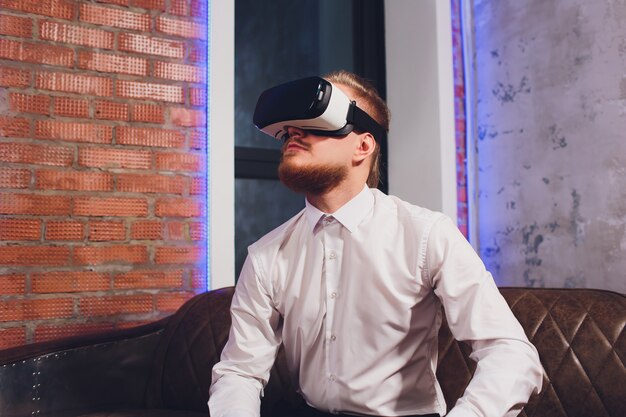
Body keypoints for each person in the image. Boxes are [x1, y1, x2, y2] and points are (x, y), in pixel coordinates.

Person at [209, 70, 543, 417]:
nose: (294, 132)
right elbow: (240, 371)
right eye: (290, 128)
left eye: (313, 121)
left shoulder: (427, 235)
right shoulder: (266, 255)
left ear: (363, 146)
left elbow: (510, 352)